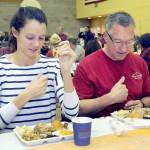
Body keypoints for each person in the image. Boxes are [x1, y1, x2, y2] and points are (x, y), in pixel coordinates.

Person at [0, 0, 79, 132]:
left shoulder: (51, 65)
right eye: (30, 37)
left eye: (41, 38)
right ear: (15, 32)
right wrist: (27, 94)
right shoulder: (2, 68)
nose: (36, 44)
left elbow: (72, 113)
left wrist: (65, 72)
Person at [73, 11, 150, 118]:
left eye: (129, 42)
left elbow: (148, 96)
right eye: (117, 42)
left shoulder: (139, 63)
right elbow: (77, 108)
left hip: (134, 129)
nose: (124, 49)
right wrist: (110, 98)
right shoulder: (87, 65)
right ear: (105, 37)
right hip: (100, 131)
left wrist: (142, 103)